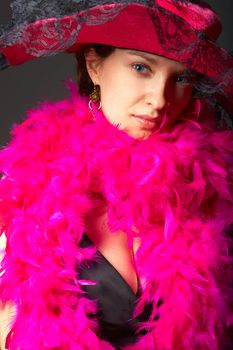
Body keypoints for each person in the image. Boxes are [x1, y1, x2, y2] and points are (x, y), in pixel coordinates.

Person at [0, 0, 233, 349]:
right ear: (95, 65)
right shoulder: (24, 187)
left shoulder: (214, 189)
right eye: (141, 67)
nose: (159, 99)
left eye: (181, 77)